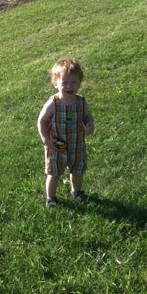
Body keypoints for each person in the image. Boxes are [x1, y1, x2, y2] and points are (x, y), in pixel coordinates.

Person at [37, 58, 94, 207]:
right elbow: (41, 121)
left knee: (77, 170)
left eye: (74, 82)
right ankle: (51, 197)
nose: (69, 86)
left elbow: (87, 116)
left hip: (77, 145)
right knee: (54, 173)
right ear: (55, 83)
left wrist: (89, 123)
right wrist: (46, 140)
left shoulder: (81, 102)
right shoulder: (53, 103)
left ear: (80, 83)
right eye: (64, 82)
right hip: (57, 146)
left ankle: (77, 191)